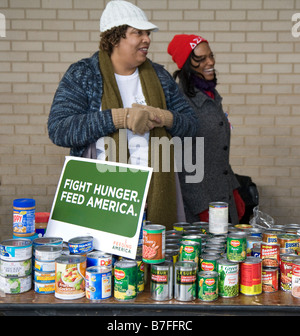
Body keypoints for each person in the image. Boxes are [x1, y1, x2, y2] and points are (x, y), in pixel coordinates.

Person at [48, 1, 198, 230]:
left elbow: (191, 124)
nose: (147, 39)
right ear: (114, 38)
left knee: (153, 259)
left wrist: (163, 117)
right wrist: (120, 118)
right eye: (137, 33)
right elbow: (59, 129)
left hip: (155, 196)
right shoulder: (83, 74)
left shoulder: (160, 76)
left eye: (147, 33)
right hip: (101, 197)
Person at [167, 34, 245, 225]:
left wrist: (234, 189)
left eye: (210, 56)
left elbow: (219, 151)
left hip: (222, 197)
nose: (210, 62)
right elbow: (181, 162)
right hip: (198, 208)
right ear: (186, 64)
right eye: (200, 59)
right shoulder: (181, 103)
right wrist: (201, 207)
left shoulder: (211, 95)